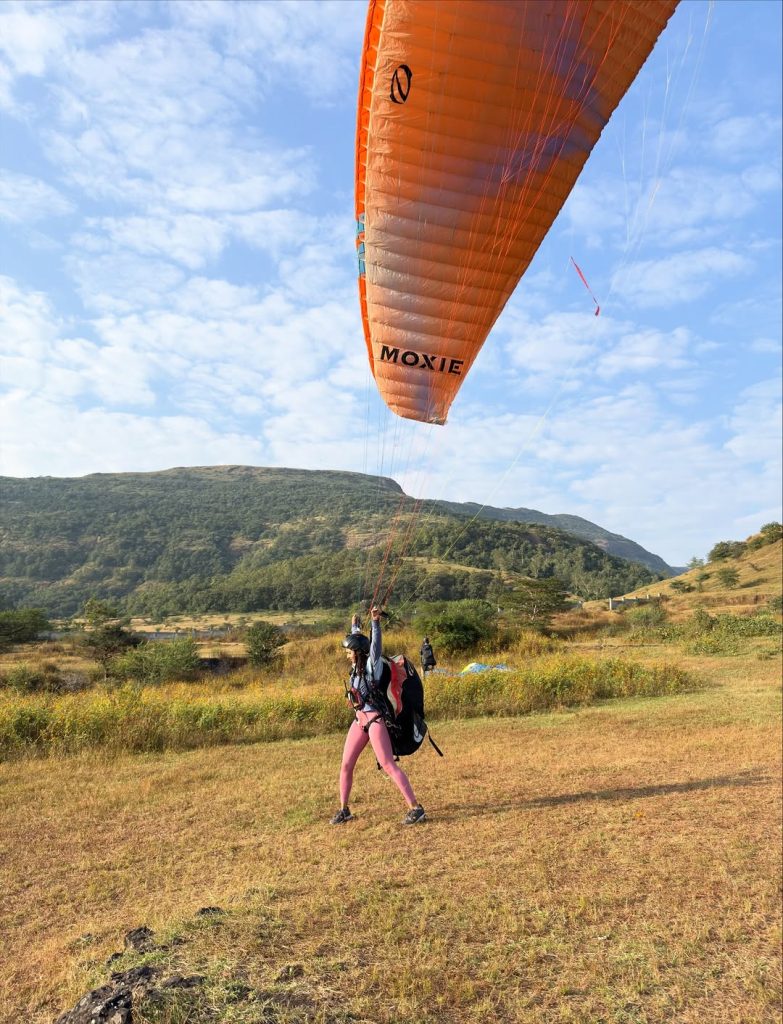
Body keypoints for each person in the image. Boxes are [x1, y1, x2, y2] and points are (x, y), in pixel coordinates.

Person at [331, 605, 426, 826]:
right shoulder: (355, 666)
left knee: (387, 764)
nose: (346, 655)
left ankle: (416, 808)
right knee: (346, 765)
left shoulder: (373, 666)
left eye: (348, 651)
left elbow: (374, 646)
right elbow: (358, 640)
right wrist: (355, 625)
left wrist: (375, 622)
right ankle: (344, 810)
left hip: (375, 720)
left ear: (358, 653)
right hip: (359, 720)